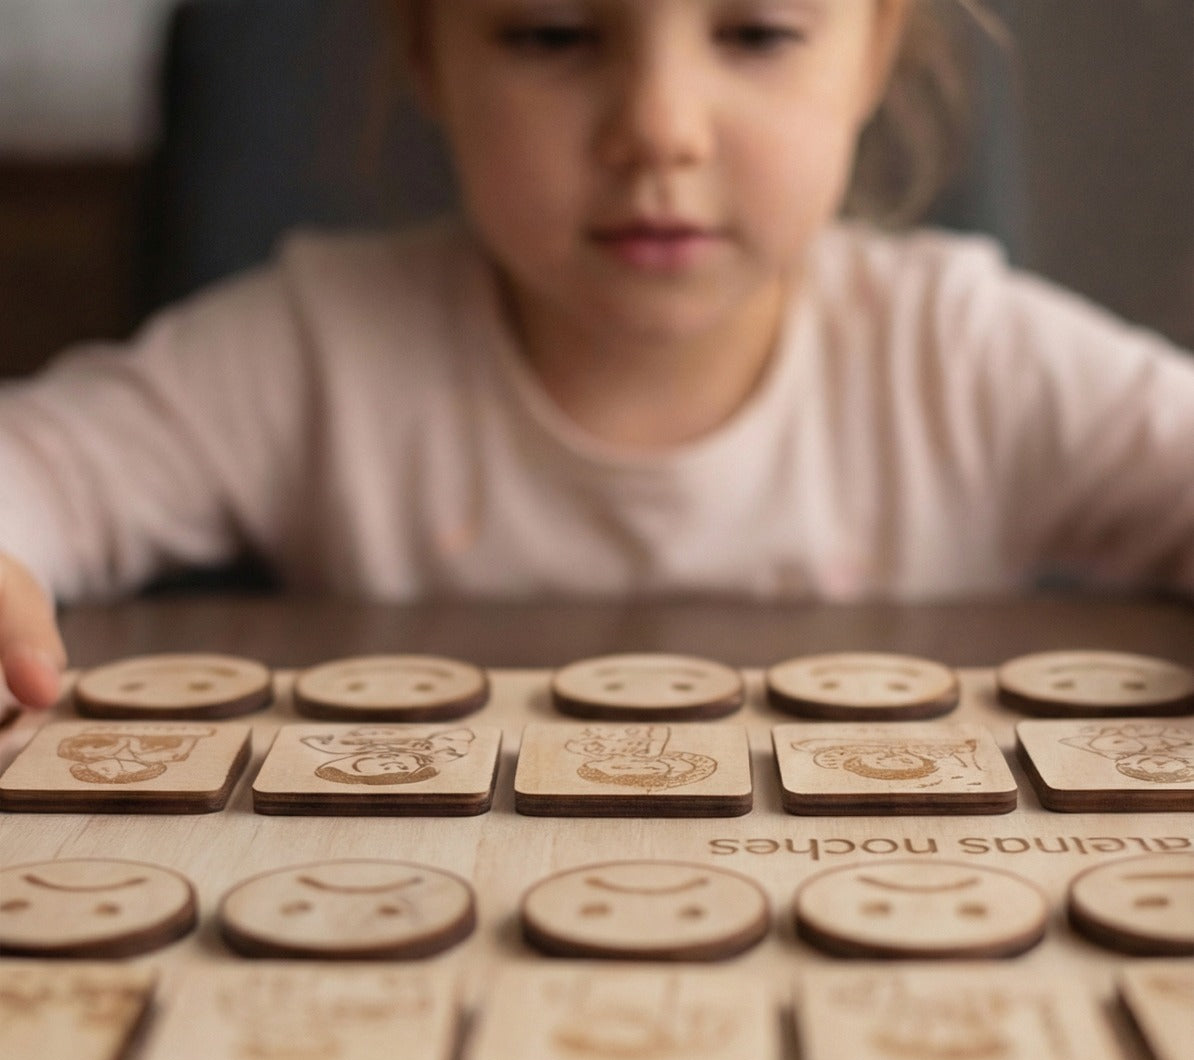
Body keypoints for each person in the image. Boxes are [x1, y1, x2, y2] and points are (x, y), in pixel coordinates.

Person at [1, 0, 1192, 715]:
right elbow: (41, 466)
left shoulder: (960, 355)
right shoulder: (318, 350)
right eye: (553, 32)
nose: (659, 128)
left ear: (873, 53)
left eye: (759, 32)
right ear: (430, 53)